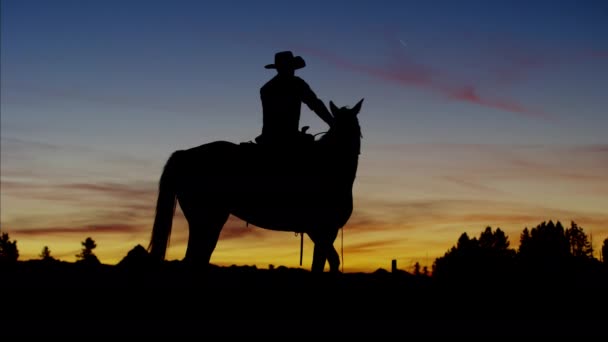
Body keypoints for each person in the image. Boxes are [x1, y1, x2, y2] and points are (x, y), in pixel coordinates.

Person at [255, 51, 334, 147]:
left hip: (269, 136)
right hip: (288, 137)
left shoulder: (267, 88)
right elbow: (315, 103)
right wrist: (332, 122)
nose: (292, 70)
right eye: (290, 67)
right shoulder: (297, 83)